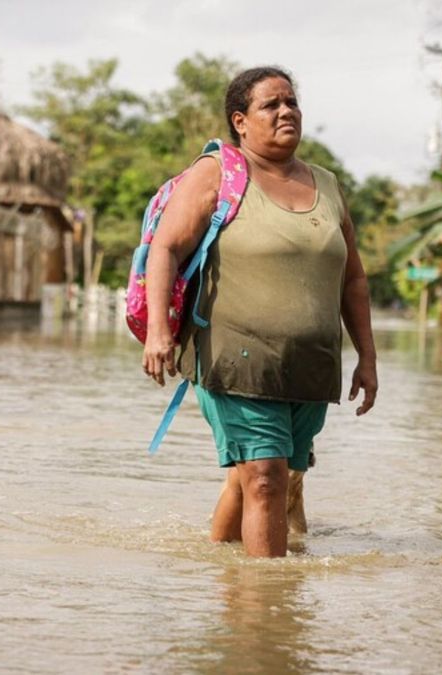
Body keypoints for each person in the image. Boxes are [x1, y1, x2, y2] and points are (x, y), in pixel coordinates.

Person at [141, 67, 378, 557]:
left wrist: (368, 359)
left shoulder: (328, 185)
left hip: (310, 366)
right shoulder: (217, 175)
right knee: (266, 480)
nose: (286, 111)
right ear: (241, 121)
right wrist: (158, 333)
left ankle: (219, 565)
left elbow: (352, 278)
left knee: (271, 478)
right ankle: (266, 614)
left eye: (291, 101)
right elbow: (165, 248)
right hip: (237, 357)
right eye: (271, 104)